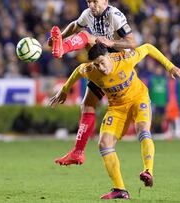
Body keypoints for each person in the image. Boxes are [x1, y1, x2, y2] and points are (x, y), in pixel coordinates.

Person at [49, 43, 180, 199]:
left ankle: (148, 171)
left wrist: (170, 67)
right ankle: (120, 190)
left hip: (138, 99)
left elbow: (148, 47)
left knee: (143, 129)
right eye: (97, 64)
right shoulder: (90, 70)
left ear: (109, 55)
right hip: (117, 108)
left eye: (102, 62)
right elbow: (77, 71)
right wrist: (64, 90)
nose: (101, 67)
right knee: (104, 143)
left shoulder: (125, 58)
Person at [49, 0, 137, 165]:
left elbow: (132, 43)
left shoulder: (115, 15)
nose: (91, 5)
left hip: (117, 63)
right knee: (88, 105)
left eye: (95, 1)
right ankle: (77, 152)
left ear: (105, 1)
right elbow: (75, 25)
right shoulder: (88, 14)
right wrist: (60, 36)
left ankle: (62, 49)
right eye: (89, 1)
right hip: (102, 62)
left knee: (87, 37)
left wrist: (112, 42)